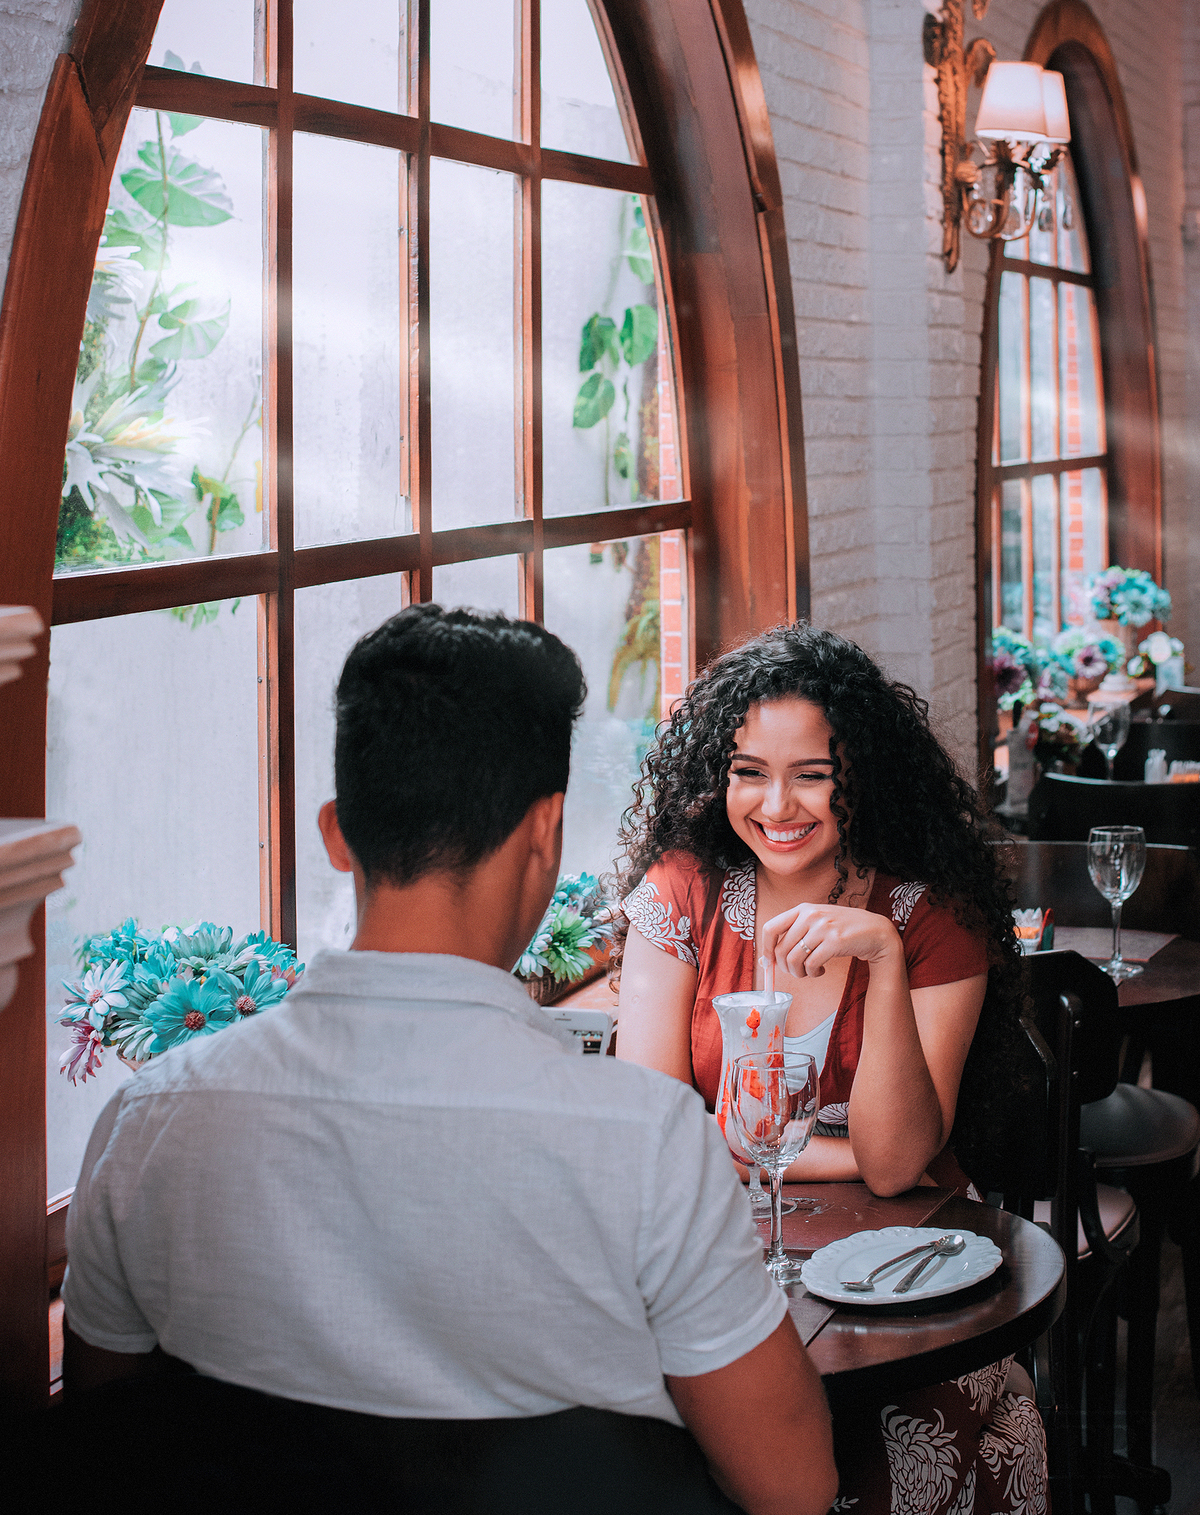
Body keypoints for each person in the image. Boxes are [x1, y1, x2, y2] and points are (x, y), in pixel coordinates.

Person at [58, 605, 837, 1515]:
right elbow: (793, 1487)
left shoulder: (147, 1123)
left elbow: (102, 1449)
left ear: (337, 831)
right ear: (546, 831)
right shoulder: (646, 1144)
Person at [615, 621, 1047, 1515]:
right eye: (749, 772)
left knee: (910, 1460)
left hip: (910, 1279)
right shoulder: (682, 891)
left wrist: (884, 961)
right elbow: (651, 1128)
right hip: (723, 1273)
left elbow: (896, 1166)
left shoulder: (931, 917)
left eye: (812, 774)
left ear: (861, 779)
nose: (778, 805)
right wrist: (826, 1152)